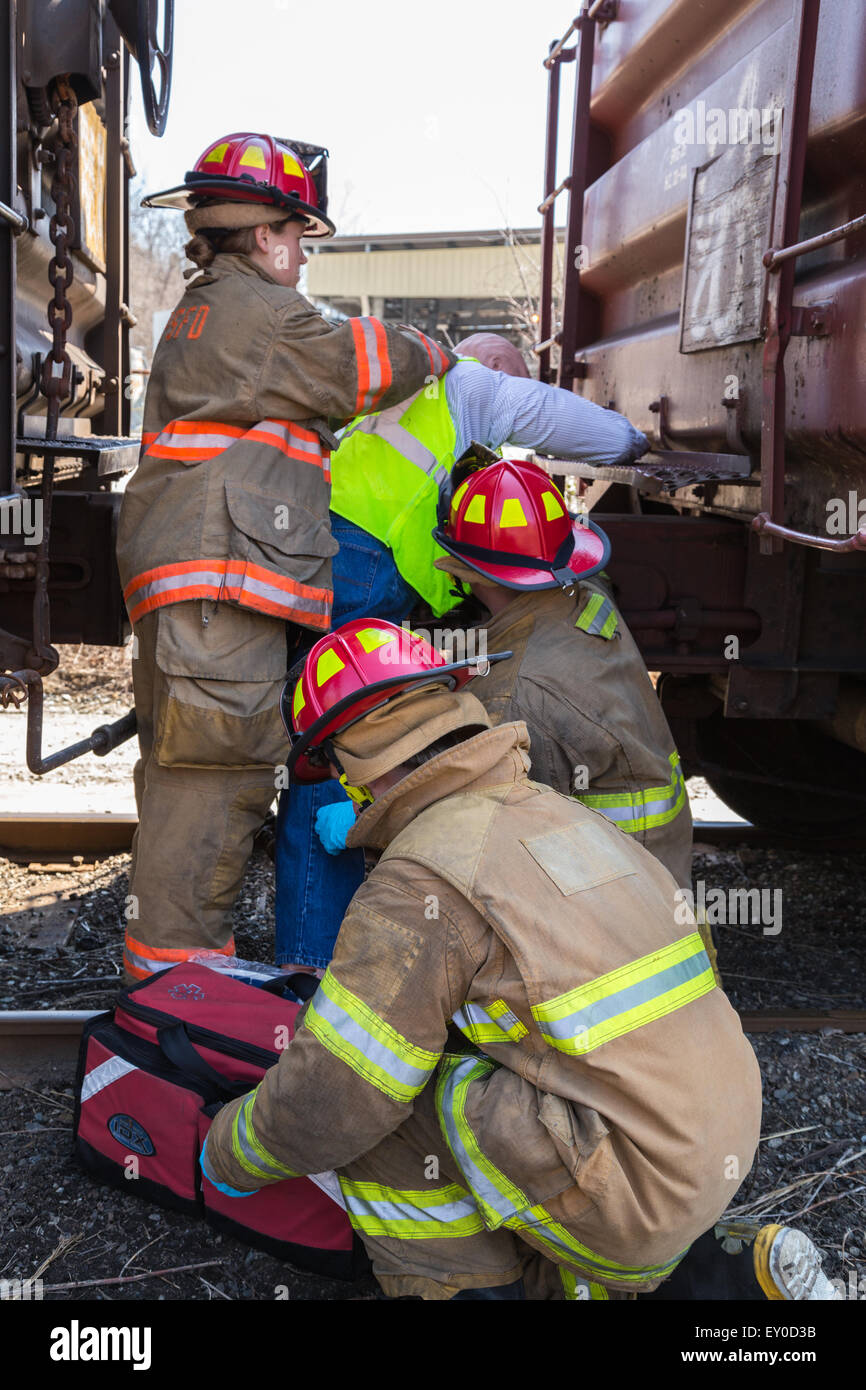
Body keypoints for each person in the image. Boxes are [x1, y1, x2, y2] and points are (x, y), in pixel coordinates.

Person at [201, 619, 834, 1301]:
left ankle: (465, 1292)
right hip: (712, 1148)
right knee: (473, 1085)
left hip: (630, 1193)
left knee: (385, 1111)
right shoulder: (561, 814)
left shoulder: (422, 878)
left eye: (332, 771)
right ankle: (725, 1278)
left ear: (352, 763)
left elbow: (339, 1093)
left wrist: (228, 1152)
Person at [116, 131, 455, 983]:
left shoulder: (208, 306)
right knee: (214, 791)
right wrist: (443, 352)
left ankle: (167, 989)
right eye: (299, 236)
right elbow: (360, 366)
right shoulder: (261, 314)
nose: (302, 256)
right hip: (217, 594)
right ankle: (178, 1005)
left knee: (182, 782)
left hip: (197, 591)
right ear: (265, 234)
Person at [275, 333, 650, 972]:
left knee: (319, 731)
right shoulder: (472, 383)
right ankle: (312, 961)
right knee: (341, 741)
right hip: (365, 565)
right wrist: (640, 441)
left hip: (316, 545)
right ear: (496, 363)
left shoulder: (395, 388)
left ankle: (313, 939)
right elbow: (602, 436)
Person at [432, 456, 693, 890]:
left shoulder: (516, 694)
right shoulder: (586, 594)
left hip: (611, 906)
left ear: (469, 573)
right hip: (659, 875)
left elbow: (483, 829)